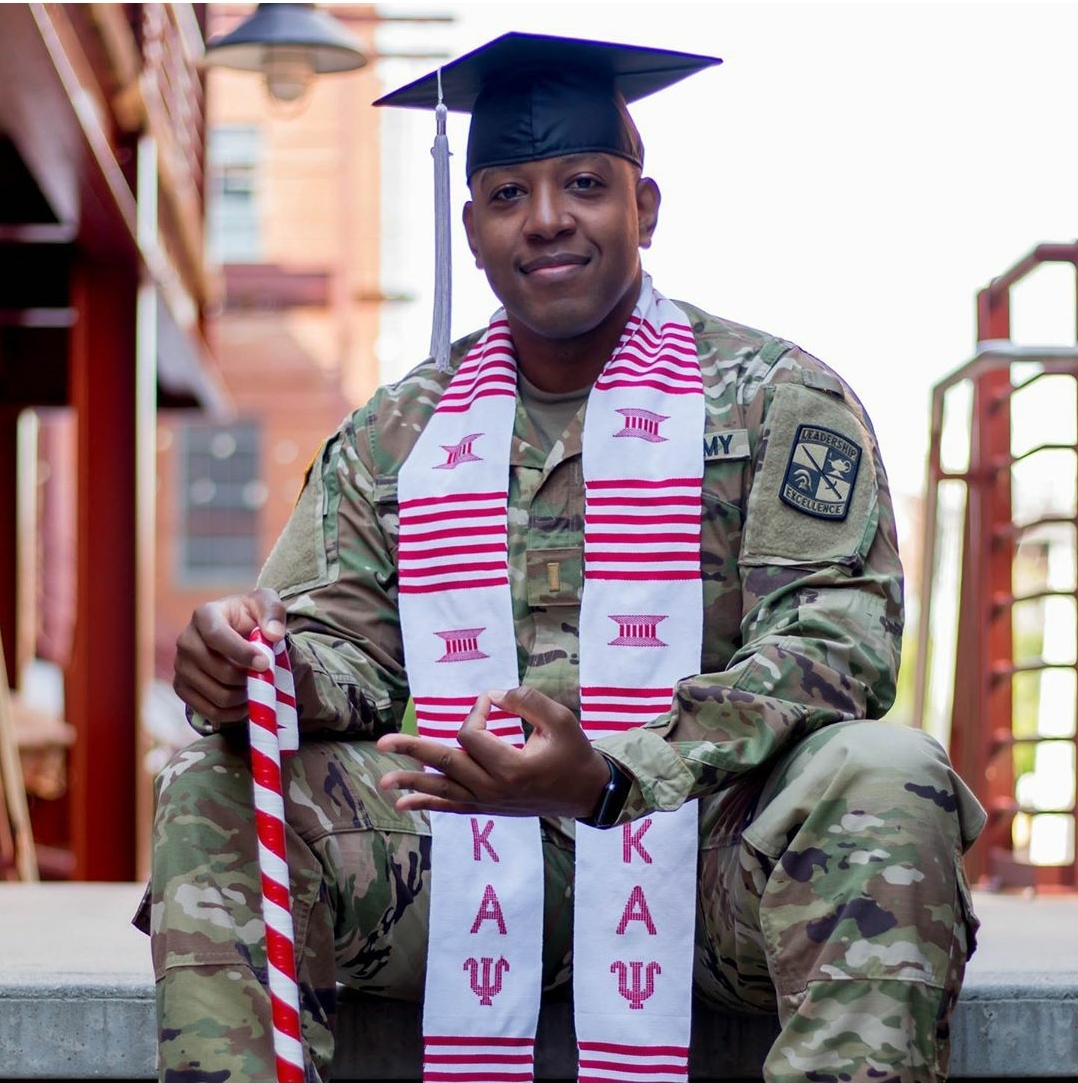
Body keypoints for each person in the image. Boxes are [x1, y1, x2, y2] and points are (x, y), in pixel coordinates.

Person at [139, 31, 987, 1083]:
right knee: (210, 783)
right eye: (508, 194)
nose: (545, 218)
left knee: (889, 773)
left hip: (713, 861)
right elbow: (340, 653)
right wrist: (253, 665)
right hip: (449, 862)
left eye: (584, 184)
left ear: (645, 207)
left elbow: (836, 644)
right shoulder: (399, 433)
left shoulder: (774, 399)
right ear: (473, 229)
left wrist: (619, 773)